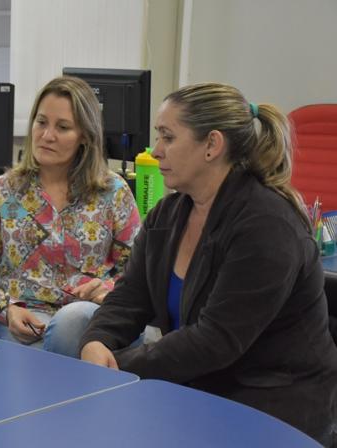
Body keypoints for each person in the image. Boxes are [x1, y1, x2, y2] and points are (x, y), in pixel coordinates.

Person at [80, 82, 337, 445]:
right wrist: (97, 341)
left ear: (212, 145)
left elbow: (216, 340)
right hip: (202, 392)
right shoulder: (168, 213)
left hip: (274, 408)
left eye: (168, 137)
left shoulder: (266, 225)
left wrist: (118, 365)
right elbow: (129, 298)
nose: (156, 150)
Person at [0, 76, 140, 358]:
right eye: (41, 122)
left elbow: (137, 275)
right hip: (23, 321)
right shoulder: (1, 192)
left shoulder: (113, 192)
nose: (47, 135)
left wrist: (105, 289)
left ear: (85, 136)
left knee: (71, 322)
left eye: (63, 127)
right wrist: (8, 310)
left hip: (87, 317)